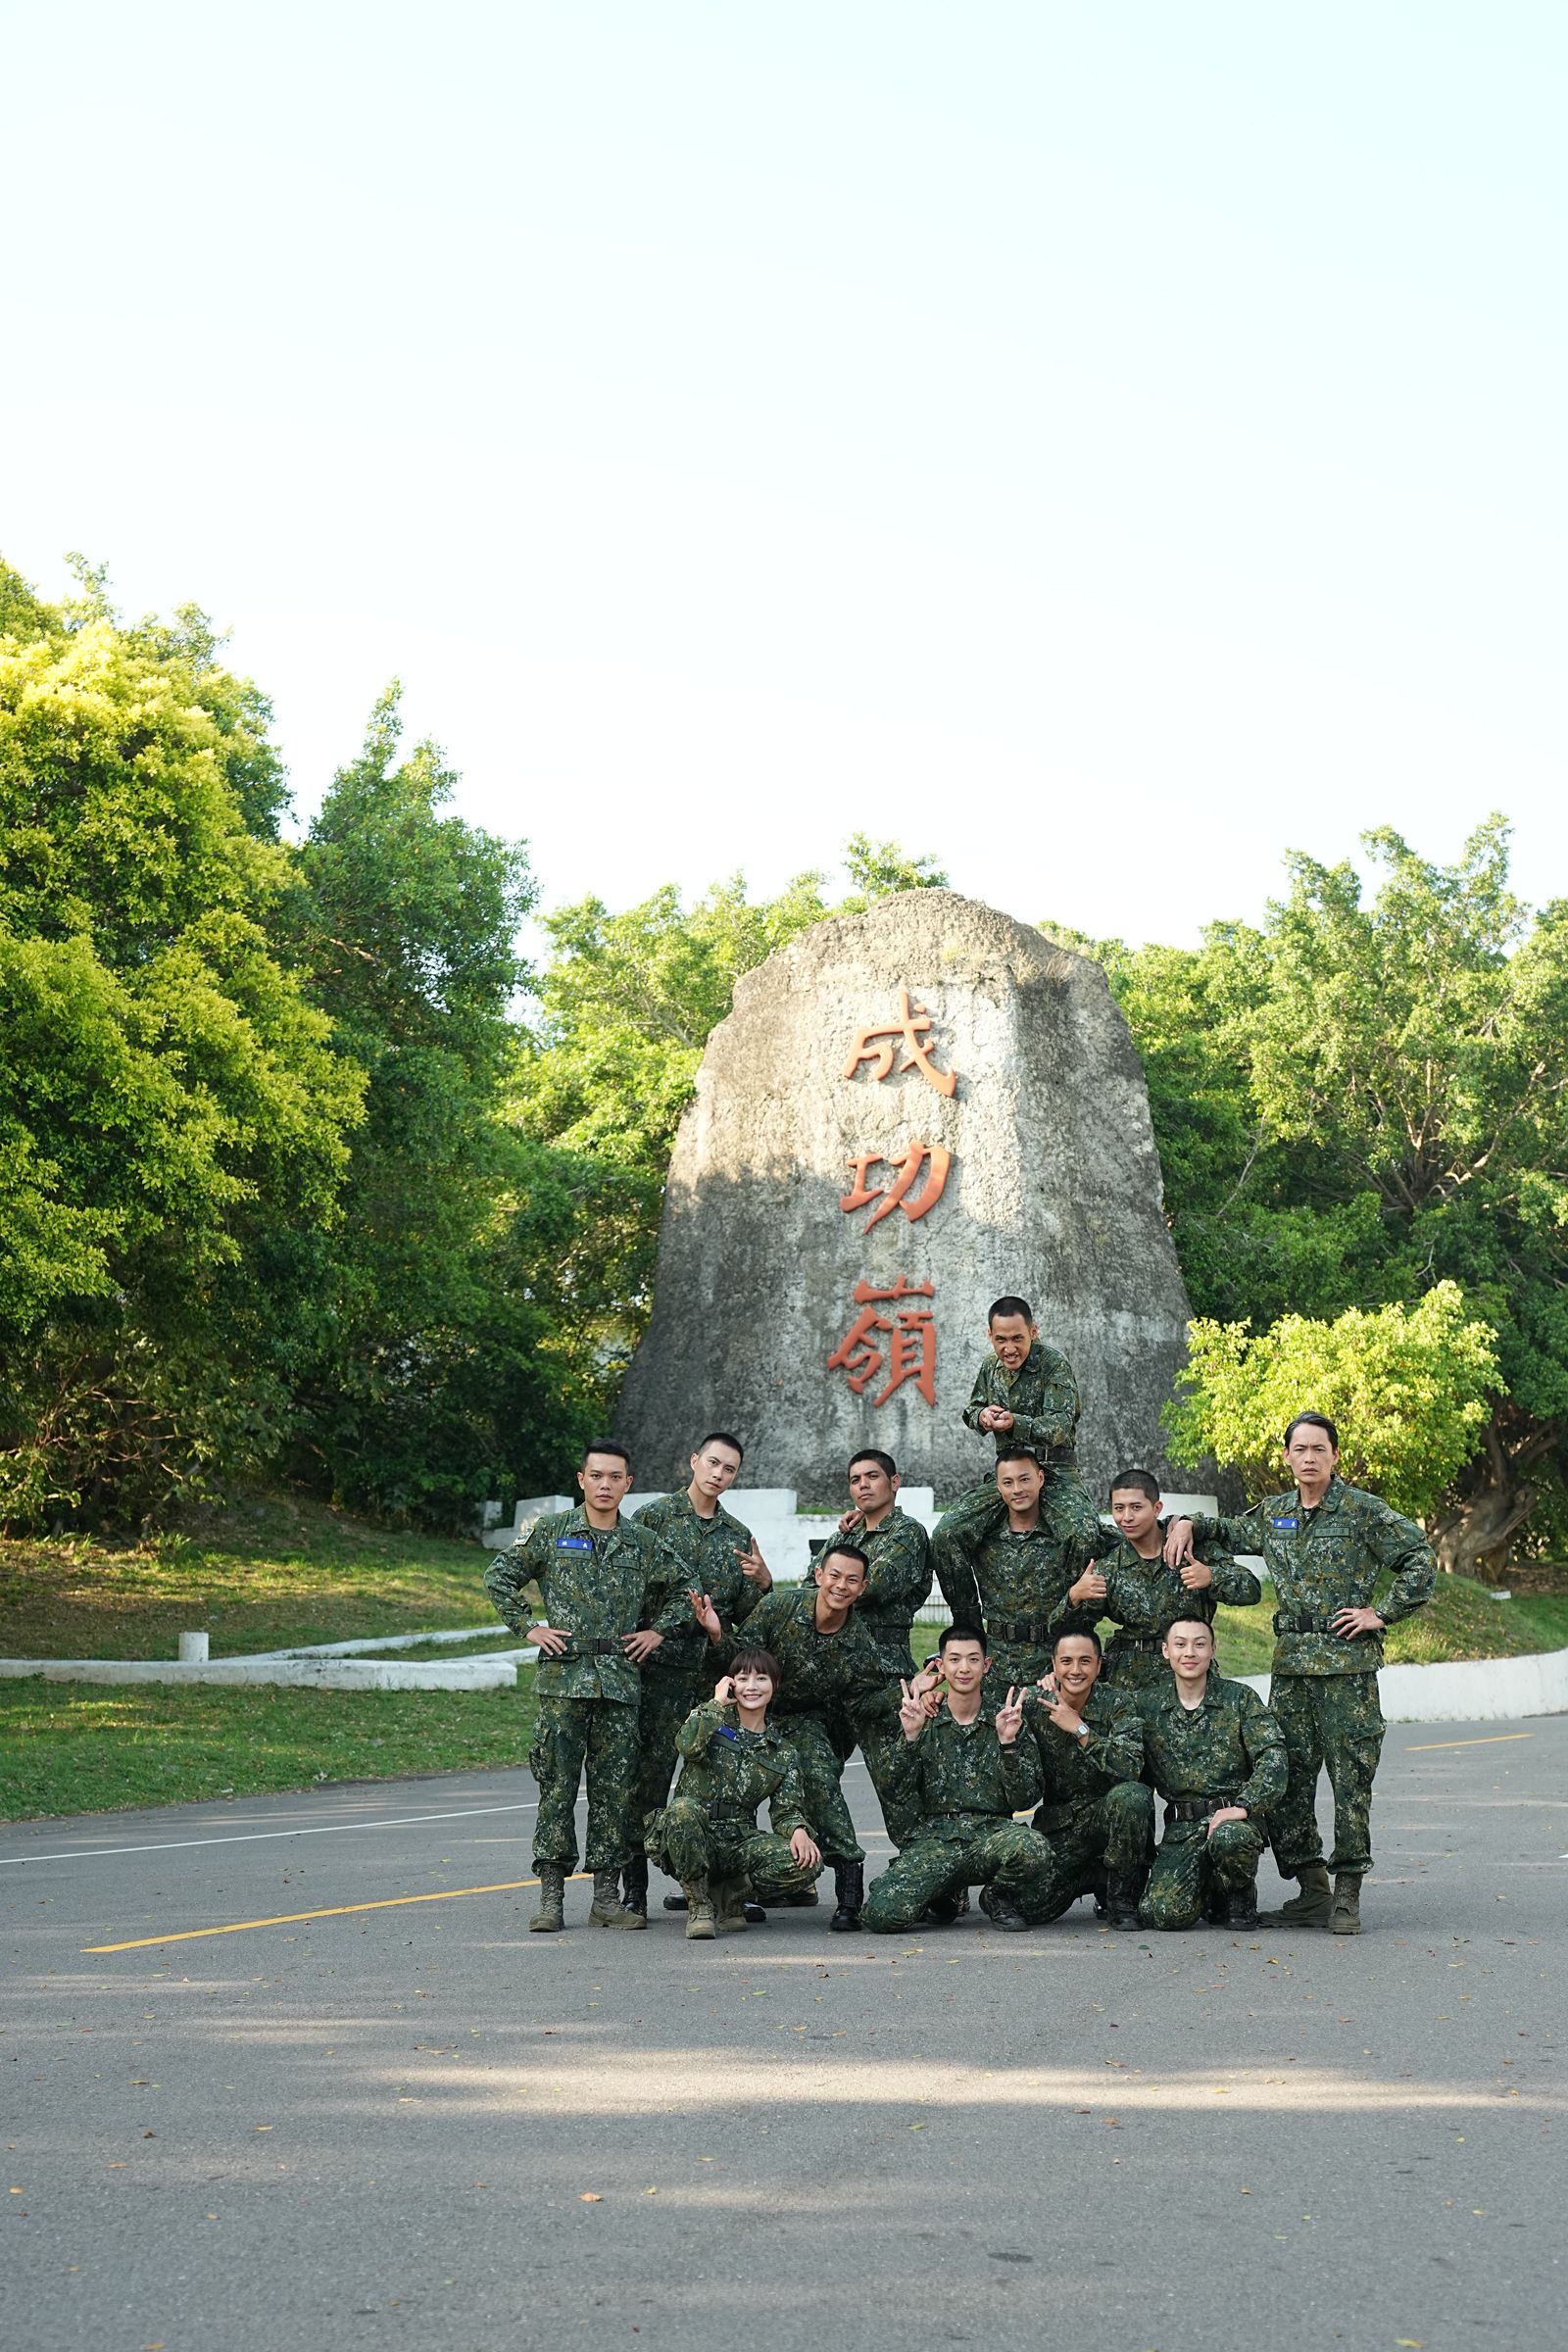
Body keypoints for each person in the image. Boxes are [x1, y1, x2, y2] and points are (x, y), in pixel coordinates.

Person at [1164, 1411, 1435, 1935]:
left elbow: (1419, 1557)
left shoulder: (1361, 1511)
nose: (1309, 1458)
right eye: (1300, 1450)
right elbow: (1225, 1528)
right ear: (1286, 1457)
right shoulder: (1277, 1513)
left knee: (1351, 1785)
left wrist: (1381, 1612)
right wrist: (1186, 1522)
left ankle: (1348, 1894)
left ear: (1335, 1456)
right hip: (1291, 1671)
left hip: (1347, 1671)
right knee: (1287, 1783)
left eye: (1319, 1449)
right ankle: (1313, 1888)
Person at [484, 1440, 676, 1932]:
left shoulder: (642, 1542)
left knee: (614, 1793)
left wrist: (658, 1631)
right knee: (557, 1789)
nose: (606, 1485)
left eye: (615, 1477)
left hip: (618, 1684)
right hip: (562, 1682)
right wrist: (529, 1628)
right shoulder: (551, 1532)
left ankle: (606, 1899)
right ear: (582, 1479)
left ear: (628, 1484)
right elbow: (499, 1576)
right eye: (597, 1476)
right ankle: (551, 1899)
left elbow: (686, 1587)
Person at [693, 1544, 895, 1932]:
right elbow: (743, 1660)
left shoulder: (859, 1643)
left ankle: (849, 1890)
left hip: (808, 1724)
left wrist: (913, 1688)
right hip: (753, 1710)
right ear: (819, 1575)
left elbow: (866, 1702)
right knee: (722, 1781)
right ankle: (724, 1881)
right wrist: (718, 1634)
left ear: (862, 1587)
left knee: (818, 1779)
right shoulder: (780, 1608)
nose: (841, 1585)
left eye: (851, 1580)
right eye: (834, 1576)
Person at [622, 1432, 773, 1918]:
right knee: (647, 1782)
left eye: (729, 1469)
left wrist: (765, 1582)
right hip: (660, 1673)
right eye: (712, 1463)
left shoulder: (737, 1536)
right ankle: (633, 1891)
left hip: (714, 1678)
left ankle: (717, 1887)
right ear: (694, 1461)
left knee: (716, 1787)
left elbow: (750, 1619)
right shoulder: (653, 1519)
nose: (718, 1475)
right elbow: (630, 1591)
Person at [861, 1626, 1052, 1935]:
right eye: (955, 1659)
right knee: (882, 1914)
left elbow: (1025, 1799)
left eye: (973, 1660)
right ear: (941, 1665)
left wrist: (1008, 1745)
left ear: (986, 1665)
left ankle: (997, 1895)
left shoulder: (1006, 1718)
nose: (964, 1668)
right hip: (936, 1842)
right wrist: (909, 1738)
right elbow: (894, 1789)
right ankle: (943, 1893)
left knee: (1033, 1848)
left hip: (990, 1838)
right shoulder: (923, 1719)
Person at [931, 1298, 1101, 1601]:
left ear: (1033, 1331)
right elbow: (972, 1408)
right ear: (990, 1336)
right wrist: (981, 1418)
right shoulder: (989, 1367)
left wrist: (1015, 1424)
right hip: (1009, 1475)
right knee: (947, 1534)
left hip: (1055, 1471)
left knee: (1084, 1534)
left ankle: (1075, 1626)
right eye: (1001, 1340)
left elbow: (1060, 1427)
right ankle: (967, 1627)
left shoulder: (1053, 1365)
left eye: (1017, 1339)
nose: (1009, 1348)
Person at [645, 1649, 822, 1939]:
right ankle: (700, 1906)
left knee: (808, 1862)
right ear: (731, 1684)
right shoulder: (711, 1722)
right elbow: (686, 1745)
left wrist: (799, 1830)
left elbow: (786, 1810)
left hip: (739, 1843)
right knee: (682, 1809)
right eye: (743, 1678)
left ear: (774, 1685)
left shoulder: (783, 1752)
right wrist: (715, 1703)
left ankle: (732, 1895)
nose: (752, 1686)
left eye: (761, 1678)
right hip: (692, 1835)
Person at [1137, 1617, 1287, 1934]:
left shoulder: (1240, 1699)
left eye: (1199, 1644)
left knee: (1230, 1839)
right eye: (1180, 1644)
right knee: (1162, 1915)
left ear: (1213, 1650)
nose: (1189, 1652)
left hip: (1233, 1819)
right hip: (1183, 1828)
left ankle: (1238, 1894)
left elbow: (1273, 1757)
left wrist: (1244, 1807)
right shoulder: (1147, 1705)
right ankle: (1208, 1887)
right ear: (1166, 1651)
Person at [1054, 1468, 1261, 1692]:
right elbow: (1066, 1632)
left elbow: (1251, 1589)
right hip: (1131, 1686)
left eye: (1136, 1507)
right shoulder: (1108, 1568)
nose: (1127, 1517)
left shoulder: (1194, 1550)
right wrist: (1074, 1597)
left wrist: (1212, 1577)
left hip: (1191, 1679)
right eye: (1119, 1508)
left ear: (1156, 1508)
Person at [1006, 1628, 1153, 1931]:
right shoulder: (1033, 1704)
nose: (1076, 1670)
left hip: (1111, 1821)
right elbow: (1022, 1795)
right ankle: (1092, 1875)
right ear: (1054, 1664)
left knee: (1133, 1795)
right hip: (1063, 1828)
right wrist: (1008, 1744)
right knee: (1027, 1907)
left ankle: (1121, 1900)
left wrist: (1080, 1729)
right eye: (1067, 1661)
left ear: (1099, 1665)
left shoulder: (1118, 1703)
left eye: (1085, 1661)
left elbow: (1129, 1767)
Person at [829, 1448, 935, 1850]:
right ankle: (807, 1875)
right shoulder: (847, 1535)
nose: (863, 1486)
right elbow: (813, 1583)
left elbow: (872, 1586)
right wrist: (842, 1539)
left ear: (894, 1482)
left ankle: (931, 1873)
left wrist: (833, 1585)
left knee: (898, 1782)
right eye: (855, 1480)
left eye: (871, 1477)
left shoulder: (906, 1534)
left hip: (884, 1671)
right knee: (814, 1774)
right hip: (834, 1669)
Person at [932, 1446, 1084, 1691]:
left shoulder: (1066, 1534)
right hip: (996, 1664)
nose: (1017, 1489)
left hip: (1052, 1663)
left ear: (1040, 1478)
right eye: (1008, 1482)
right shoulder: (981, 1538)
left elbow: (1133, 1539)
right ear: (998, 1487)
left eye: (1025, 1479)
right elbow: (944, 1538)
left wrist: (1169, 1525)